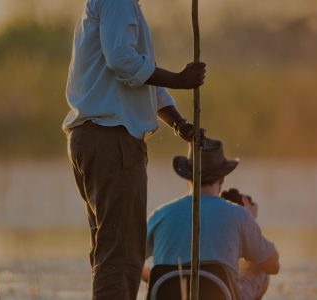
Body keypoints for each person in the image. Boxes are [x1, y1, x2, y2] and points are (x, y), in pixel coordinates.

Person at [63, 0, 207, 298]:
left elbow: (143, 79)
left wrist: (179, 123)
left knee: (110, 251)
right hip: (111, 139)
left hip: (95, 138)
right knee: (122, 255)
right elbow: (122, 62)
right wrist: (179, 80)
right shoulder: (119, 1)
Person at [144, 138, 280, 300]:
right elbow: (272, 265)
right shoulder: (238, 215)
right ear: (222, 179)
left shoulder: (160, 214)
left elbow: (131, 261)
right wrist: (250, 220)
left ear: (188, 178)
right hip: (220, 295)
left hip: (166, 295)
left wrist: (154, 278)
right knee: (258, 268)